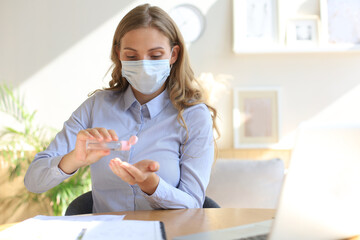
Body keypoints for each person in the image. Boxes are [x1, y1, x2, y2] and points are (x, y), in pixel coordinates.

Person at [24, 3, 219, 213]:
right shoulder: (95, 107)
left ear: (173, 54)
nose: (144, 65)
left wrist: (152, 186)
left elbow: (194, 204)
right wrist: (74, 159)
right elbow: (33, 181)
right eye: (132, 57)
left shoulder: (193, 116)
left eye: (155, 56)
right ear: (119, 54)